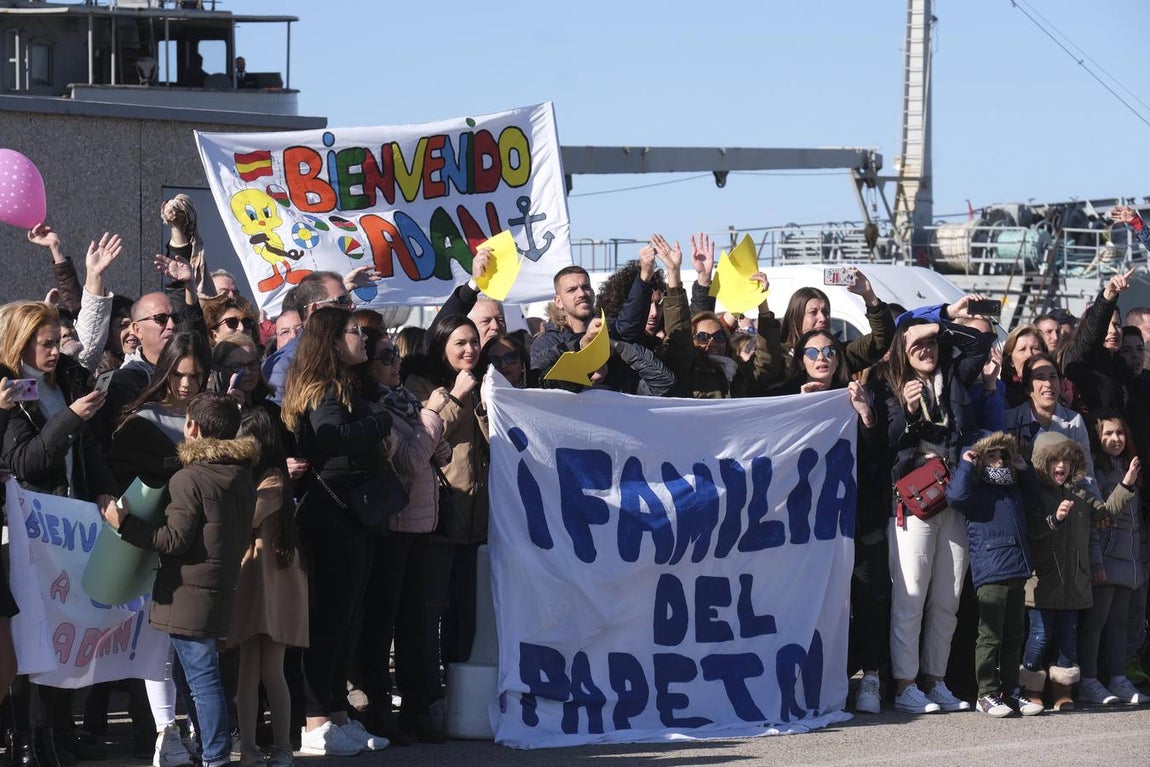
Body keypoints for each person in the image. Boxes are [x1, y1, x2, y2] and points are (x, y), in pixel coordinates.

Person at [103, 392, 257, 767]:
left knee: (201, 679)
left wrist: (124, 523)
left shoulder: (190, 478)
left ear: (192, 427)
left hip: (188, 592)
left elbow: (172, 540)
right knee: (196, 677)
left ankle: (216, 756)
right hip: (218, 587)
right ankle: (209, 749)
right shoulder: (240, 474)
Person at [0, 301, 120, 765]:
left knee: (64, 634)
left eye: (56, 341)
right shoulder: (10, 388)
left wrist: (106, 493)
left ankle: (54, 732)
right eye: (44, 344)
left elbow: (88, 450)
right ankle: (28, 739)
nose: (53, 351)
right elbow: (26, 462)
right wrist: (70, 416)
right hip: (28, 530)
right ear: (20, 342)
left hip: (71, 526)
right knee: (31, 636)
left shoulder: (66, 378)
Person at [867, 297, 994, 715]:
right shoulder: (888, 383)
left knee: (948, 597)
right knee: (911, 595)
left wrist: (944, 319)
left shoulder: (954, 377)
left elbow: (978, 342)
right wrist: (904, 408)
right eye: (916, 343)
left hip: (953, 499)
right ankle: (904, 683)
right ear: (902, 347)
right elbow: (885, 443)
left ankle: (934, 679)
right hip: (912, 503)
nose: (926, 350)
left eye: (931, 344)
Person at [280, 307, 392, 756]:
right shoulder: (324, 388)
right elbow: (332, 438)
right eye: (353, 331)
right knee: (328, 621)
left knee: (345, 620)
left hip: (348, 517)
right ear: (330, 340)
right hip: (331, 518)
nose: (362, 338)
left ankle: (337, 713)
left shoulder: (343, 383)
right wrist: (379, 422)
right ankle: (315, 722)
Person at [352, 326, 447, 746]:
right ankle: (375, 707)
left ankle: (415, 707)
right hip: (393, 525)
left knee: (416, 620)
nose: (396, 365)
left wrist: (430, 427)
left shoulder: (403, 400)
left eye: (396, 357)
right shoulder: (375, 406)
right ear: (368, 367)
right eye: (387, 358)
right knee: (383, 620)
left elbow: (434, 452)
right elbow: (410, 459)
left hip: (421, 522)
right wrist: (431, 415)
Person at [400, 315, 486, 741]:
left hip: (475, 521)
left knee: (465, 617)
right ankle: (424, 702)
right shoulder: (422, 386)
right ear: (441, 347)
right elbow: (425, 436)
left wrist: (486, 403)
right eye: (460, 343)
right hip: (438, 517)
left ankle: (459, 702)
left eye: (474, 342)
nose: (469, 350)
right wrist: (454, 397)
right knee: (427, 614)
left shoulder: (484, 386)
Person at [1021, 431, 1138, 711]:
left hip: (1074, 583)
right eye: (1054, 460)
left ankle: (1063, 692)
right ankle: (1030, 689)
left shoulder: (1082, 492)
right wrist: (1055, 519)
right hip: (1043, 582)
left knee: (1068, 640)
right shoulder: (1035, 494)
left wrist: (1126, 484)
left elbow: (1106, 514)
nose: (1061, 466)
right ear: (1041, 462)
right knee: (1039, 638)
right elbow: (1032, 530)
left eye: (1067, 460)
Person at [226, 404, 308, 767]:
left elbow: (247, 517)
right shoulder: (264, 477)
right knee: (248, 665)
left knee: (272, 668)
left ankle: (283, 747)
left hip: (273, 579)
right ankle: (248, 746)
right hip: (254, 576)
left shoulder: (273, 479)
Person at [945, 432, 1045, 718]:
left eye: (1003, 455)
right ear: (979, 459)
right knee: (990, 636)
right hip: (991, 569)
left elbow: (1035, 499)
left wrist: (1023, 468)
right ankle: (986, 693)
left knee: (1015, 635)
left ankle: (1011, 692)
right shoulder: (975, 487)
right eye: (992, 455)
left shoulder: (1014, 486)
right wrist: (966, 463)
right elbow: (955, 497)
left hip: (1017, 567)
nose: (1000, 460)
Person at [1076, 412, 1149, 706]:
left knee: (1120, 623)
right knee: (1096, 623)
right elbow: (1097, 520)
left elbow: (1136, 524)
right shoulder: (1096, 472)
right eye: (1107, 434)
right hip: (1105, 561)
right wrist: (1096, 563)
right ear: (1097, 438)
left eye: (1119, 433)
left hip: (1129, 562)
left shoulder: (1130, 467)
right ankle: (1089, 681)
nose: (1114, 439)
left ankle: (1118, 678)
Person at [778, 266, 895, 376]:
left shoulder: (842, 355)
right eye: (813, 312)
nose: (823, 318)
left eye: (826, 312)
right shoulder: (779, 360)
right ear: (796, 318)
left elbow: (881, 340)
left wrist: (869, 295)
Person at [263, 271, 353, 403]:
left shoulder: (349, 348)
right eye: (342, 301)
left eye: (349, 300)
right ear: (315, 308)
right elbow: (282, 418)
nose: (352, 306)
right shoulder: (282, 365)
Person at [999, 326, 1047, 409]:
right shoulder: (1002, 395)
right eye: (1022, 349)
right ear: (1010, 361)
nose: (1029, 354)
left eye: (1035, 348)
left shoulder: (1056, 387)